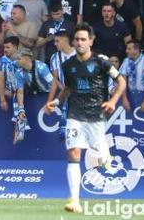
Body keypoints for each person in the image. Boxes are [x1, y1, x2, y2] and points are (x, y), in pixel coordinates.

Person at [45, 23, 126, 214]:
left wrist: (113, 101)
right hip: (74, 115)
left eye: (83, 39)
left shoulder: (102, 62)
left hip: (96, 116)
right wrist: (56, 103)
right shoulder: (68, 65)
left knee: (103, 162)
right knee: (73, 155)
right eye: (77, 39)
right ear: (73, 42)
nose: (80, 42)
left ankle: (105, 156)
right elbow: (68, 88)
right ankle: (74, 200)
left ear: (91, 41)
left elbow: (121, 81)